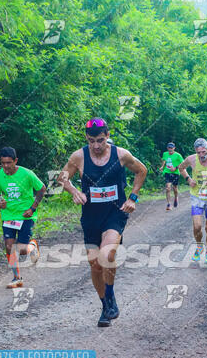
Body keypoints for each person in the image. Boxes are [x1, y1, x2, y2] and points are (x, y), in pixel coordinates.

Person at [59, 118, 147, 327]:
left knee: (107, 255)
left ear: (107, 136)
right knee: (95, 265)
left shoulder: (121, 155)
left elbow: (142, 171)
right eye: (91, 141)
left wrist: (133, 197)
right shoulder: (78, 156)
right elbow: (63, 177)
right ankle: (105, 304)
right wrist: (73, 191)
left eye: (100, 140)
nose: (96, 146)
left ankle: (109, 295)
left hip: (115, 212)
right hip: (90, 215)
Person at [0, 147, 46, 288]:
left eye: (9, 163)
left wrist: (32, 208)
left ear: (15, 161)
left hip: (26, 216)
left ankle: (32, 246)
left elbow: (42, 189)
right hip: (9, 215)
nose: (5, 166)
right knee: (9, 247)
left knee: (21, 250)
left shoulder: (27, 174)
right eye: (3, 163)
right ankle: (17, 278)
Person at [159, 142, 184, 210]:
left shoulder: (178, 155)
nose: (170, 149)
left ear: (174, 148)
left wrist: (175, 168)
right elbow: (164, 161)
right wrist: (162, 167)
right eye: (169, 148)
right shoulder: (165, 154)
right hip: (167, 172)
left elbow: (182, 163)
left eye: (171, 148)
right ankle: (168, 204)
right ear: (167, 148)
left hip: (175, 173)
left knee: (175, 188)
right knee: (168, 188)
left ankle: (176, 197)